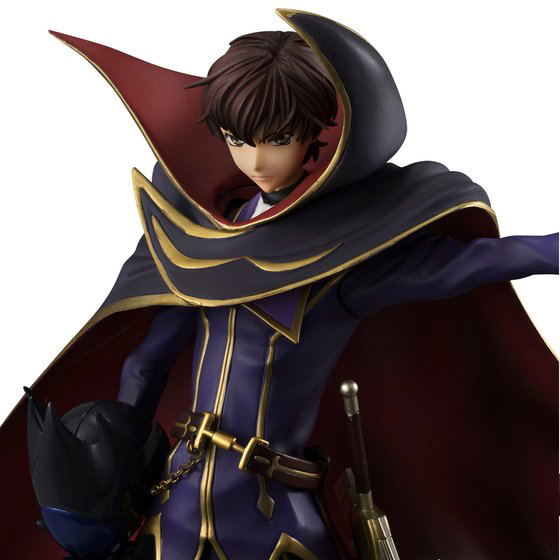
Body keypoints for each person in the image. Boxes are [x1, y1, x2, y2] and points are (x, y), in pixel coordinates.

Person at [1, 9, 557, 560]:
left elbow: (462, 264)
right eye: (236, 139)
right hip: (177, 500)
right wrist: (109, 466)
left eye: (279, 138)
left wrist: (547, 250)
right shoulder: (198, 243)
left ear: (318, 133)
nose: (256, 159)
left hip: (273, 516)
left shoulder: (338, 261)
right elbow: (146, 362)